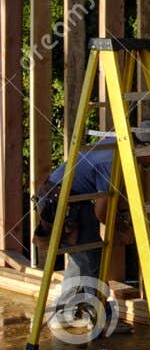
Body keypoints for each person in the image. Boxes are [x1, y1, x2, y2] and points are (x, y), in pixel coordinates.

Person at [34, 135, 133, 335]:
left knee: (80, 259)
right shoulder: (110, 162)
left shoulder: (115, 146)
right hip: (62, 202)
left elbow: (113, 196)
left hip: (65, 198)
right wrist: (123, 229)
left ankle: (63, 312)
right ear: (143, 146)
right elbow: (101, 212)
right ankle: (102, 319)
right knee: (92, 260)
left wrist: (122, 221)